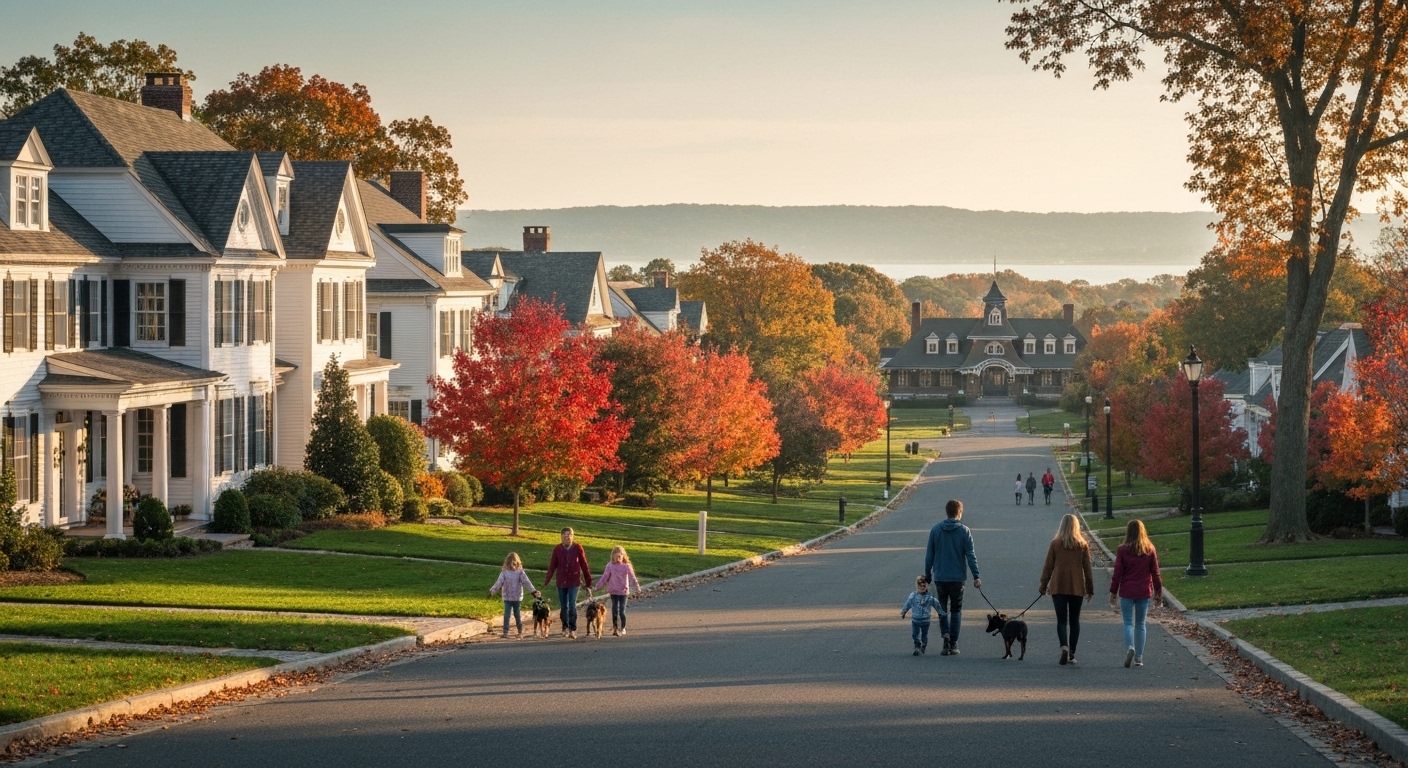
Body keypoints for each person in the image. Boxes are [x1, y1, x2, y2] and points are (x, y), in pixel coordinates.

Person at [923, 499, 981, 656]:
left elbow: (929, 556)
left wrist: (927, 574)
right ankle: (953, 643)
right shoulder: (964, 531)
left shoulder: (935, 530)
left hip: (940, 577)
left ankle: (945, 636)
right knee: (956, 609)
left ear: (946, 512)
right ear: (959, 513)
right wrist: (976, 576)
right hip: (957, 578)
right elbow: (970, 555)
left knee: (942, 609)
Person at [1039, 514, 1094, 665]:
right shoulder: (1082, 545)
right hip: (1077, 587)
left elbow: (1048, 566)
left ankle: (1064, 645)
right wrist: (1090, 589)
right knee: (1075, 621)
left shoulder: (1055, 544)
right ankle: (1072, 653)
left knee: (1062, 620)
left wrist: (1043, 585)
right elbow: (1087, 570)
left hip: (1059, 586)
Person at [1110, 519, 1163, 668]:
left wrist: (1113, 591)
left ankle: (1130, 647)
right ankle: (1139, 657)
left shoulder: (1122, 550)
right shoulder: (1149, 549)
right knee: (1140, 624)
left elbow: (1117, 573)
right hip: (1144, 591)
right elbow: (1155, 572)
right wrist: (1159, 591)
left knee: (1128, 623)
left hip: (1127, 591)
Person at [544, 527, 592, 640]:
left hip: (574, 581)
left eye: (569, 535)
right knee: (564, 606)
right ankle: (565, 626)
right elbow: (552, 565)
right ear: (561, 537)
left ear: (572, 536)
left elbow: (584, 565)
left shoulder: (578, 548)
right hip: (561, 581)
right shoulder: (557, 549)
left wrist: (588, 582)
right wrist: (547, 579)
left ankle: (573, 628)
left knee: (572, 605)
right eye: (564, 535)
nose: (567, 537)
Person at [594, 545, 642, 636]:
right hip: (613, 591)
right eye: (615, 557)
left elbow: (632, 577)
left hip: (623, 591)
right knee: (614, 609)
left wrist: (637, 587)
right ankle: (615, 628)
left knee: (622, 610)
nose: (618, 559)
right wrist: (597, 586)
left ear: (623, 556)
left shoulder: (626, 566)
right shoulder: (610, 566)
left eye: (619, 557)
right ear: (612, 557)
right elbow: (605, 577)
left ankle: (623, 627)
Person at [488, 551, 536, 639]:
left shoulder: (519, 573)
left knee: (515, 614)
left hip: (515, 597)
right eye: (511, 564)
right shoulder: (506, 573)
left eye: (514, 564)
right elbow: (499, 583)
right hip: (509, 597)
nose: (513, 566)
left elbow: (526, 582)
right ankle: (506, 631)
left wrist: (533, 590)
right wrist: (493, 590)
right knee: (508, 615)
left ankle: (519, 630)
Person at [901, 576, 947, 656]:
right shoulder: (913, 596)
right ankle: (917, 645)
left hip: (925, 620)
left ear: (927, 586)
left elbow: (937, 605)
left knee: (924, 635)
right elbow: (908, 603)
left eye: (924, 586)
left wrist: (942, 613)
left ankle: (924, 644)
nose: (922, 587)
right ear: (916, 586)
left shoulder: (930, 598)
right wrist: (904, 611)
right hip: (915, 620)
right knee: (914, 634)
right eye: (920, 585)